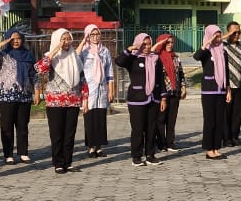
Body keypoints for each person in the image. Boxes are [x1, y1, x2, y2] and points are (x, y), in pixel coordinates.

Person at [36, 28, 88, 174]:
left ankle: (68, 161)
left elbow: (83, 79)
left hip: (73, 100)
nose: (66, 42)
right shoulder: (51, 57)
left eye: (68, 38)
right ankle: (58, 163)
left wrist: (85, 99)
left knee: (69, 134)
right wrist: (55, 50)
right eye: (63, 39)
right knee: (57, 134)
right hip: (55, 102)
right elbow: (40, 69)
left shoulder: (75, 57)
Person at [115, 32, 167, 166]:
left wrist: (163, 97)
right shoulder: (133, 58)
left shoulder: (155, 58)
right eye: (143, 44)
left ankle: (150, 154)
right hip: (137, 99)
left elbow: (160, 79)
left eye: (148, 44)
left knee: (152, 128)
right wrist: (130, 49)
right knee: (138, 129)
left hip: (154, 98)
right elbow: (119, 61)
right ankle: (136, 156)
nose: (147, 47)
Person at [0, 27, 39, 163]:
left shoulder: (28, 54)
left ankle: (23, 152)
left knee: (22, 125)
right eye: (12, 39)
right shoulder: (3, 54)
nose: (16, 41)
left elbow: (34, 74)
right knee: (7, 126)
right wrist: (1, 44)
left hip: (24, 95)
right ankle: (8, 154)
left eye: (18, 38)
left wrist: (37, 91)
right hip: (6, 95)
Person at [191, 24, 230, 160]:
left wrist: (228, 89)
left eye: (219, 36)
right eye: (215, 36)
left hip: (221, 90)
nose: (218, 39)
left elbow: (226, 72)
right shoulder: (206, 52)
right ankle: (209, 149)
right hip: (209, 90)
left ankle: (216, 148)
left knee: (219, 120)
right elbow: (196, 56)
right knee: (210, 120)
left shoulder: (223, 52)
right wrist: (207, 43)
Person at [77, 23, 115, 157]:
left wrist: (111, 90)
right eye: (92, 34)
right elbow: (75, 58)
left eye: (97, 34)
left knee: (100, 118)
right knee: (89, 118)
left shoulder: (104, 51)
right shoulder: (84, 50)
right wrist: (83, 41)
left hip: (102, 88)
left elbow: (109, 70)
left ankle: (99, 146)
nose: (95, 37)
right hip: (88, 88)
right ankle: (91, 147)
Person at [153, 33, 185, 151]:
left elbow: (180, 73)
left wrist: (183, 87)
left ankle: (170, 142)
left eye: (172, 42)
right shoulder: (156, 58)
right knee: (161, 119)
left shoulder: (175, 57)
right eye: (167, 42)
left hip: (174, 91)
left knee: (172, 119)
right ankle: (161, 143)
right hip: (162, 93)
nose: (170, 45)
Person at [223, 22, 241, 146]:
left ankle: (235, 136)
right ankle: (227, 138)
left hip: (240, 85)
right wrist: (226, 35)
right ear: (228, 32)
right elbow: (210, 43)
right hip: (228, 86)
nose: (237, 35)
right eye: (234, 32)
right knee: (227, 113)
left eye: (239, 32)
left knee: (238, 113)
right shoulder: (223, 46)